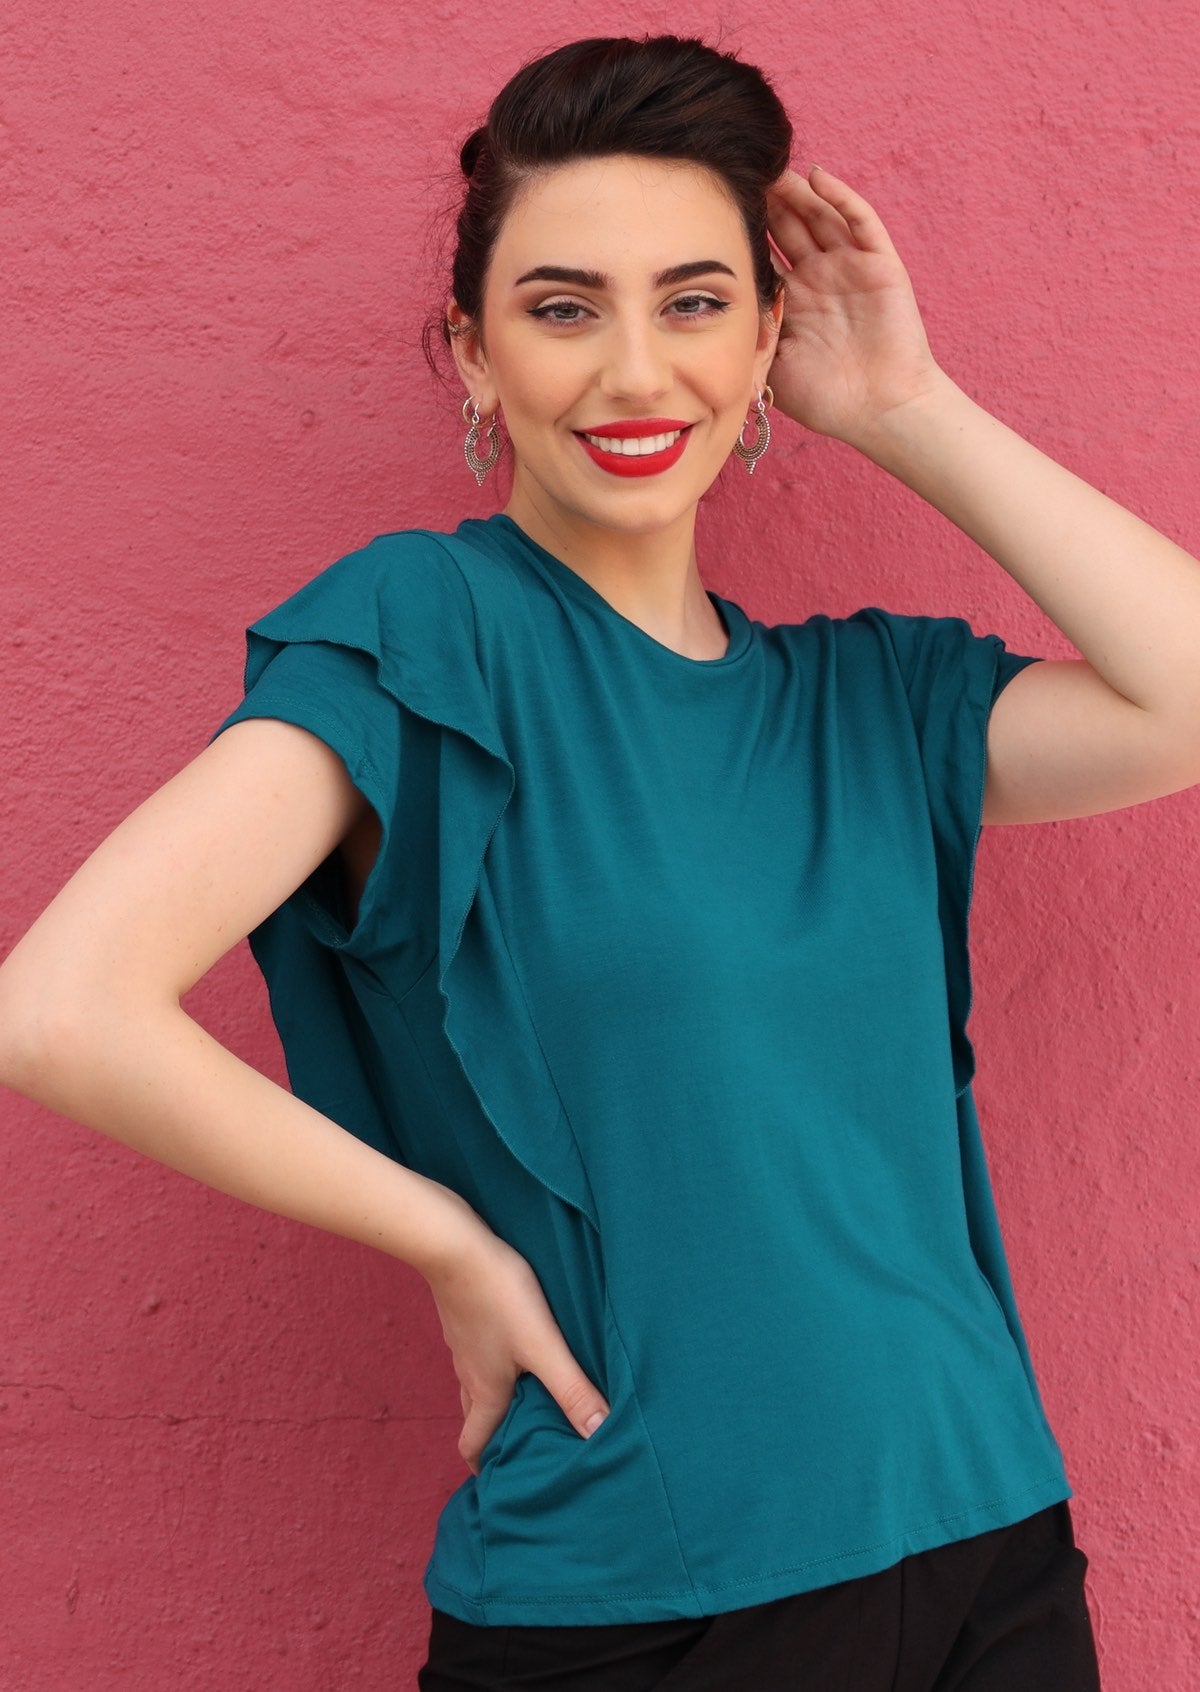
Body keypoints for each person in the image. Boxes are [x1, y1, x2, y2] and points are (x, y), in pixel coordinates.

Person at [3, 29, 1198, 1691]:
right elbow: (61, 1009)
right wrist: (447, 1239)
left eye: (696, 303)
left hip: (989, 1546)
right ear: (473, 354)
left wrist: (904, 406)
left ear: (768, 337)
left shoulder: (865, 701)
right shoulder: (425, 635)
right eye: (563, 310)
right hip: (647, 1598)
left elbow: (1181, 693)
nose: (637, 371)